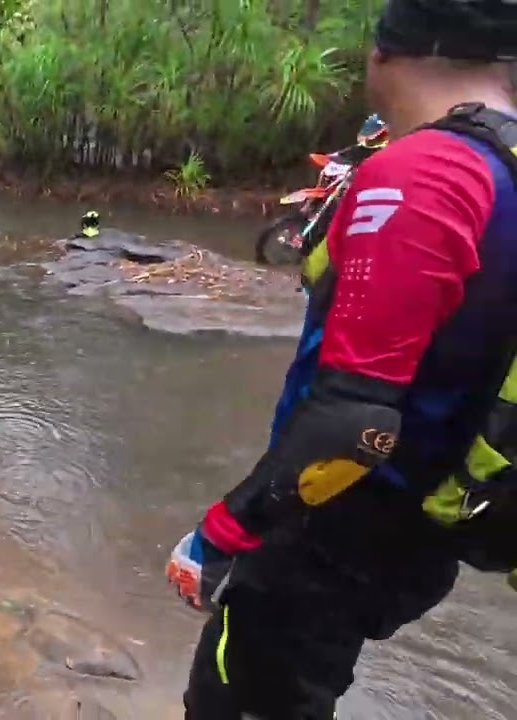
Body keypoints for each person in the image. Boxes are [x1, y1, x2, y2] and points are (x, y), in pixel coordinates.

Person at [165, 1, 517, 717]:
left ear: (385, 53)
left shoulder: (426, 172)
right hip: (436, 512)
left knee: (241, 696)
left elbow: (354, 421)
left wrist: (223, 532)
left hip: (340, 519)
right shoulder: (504, 163)